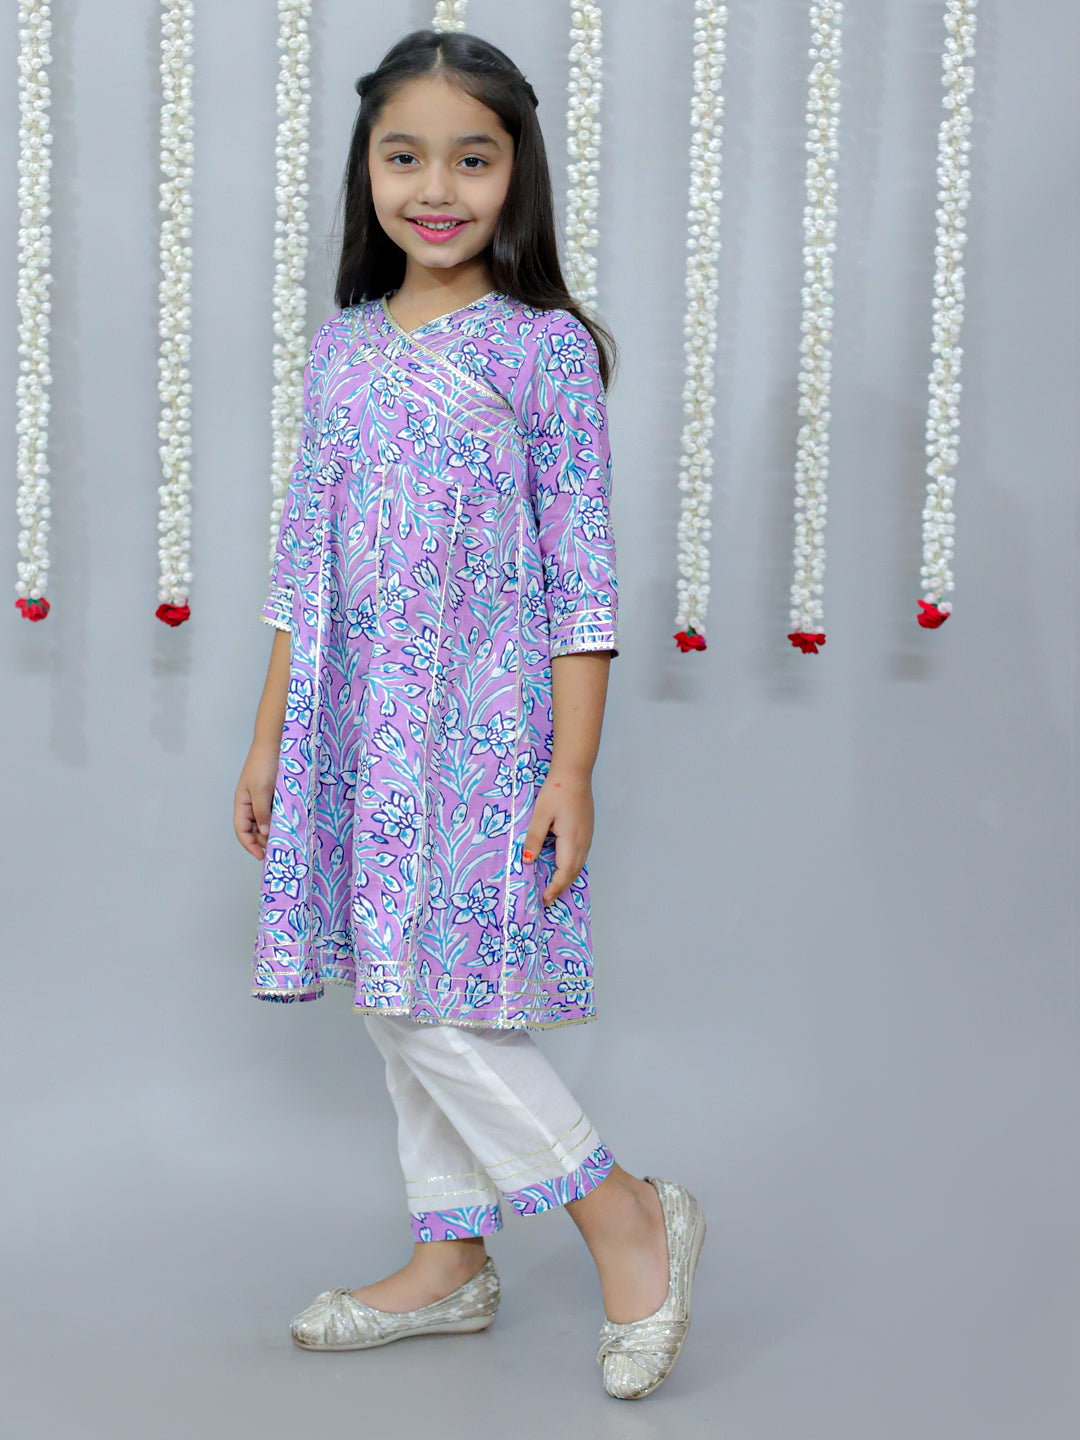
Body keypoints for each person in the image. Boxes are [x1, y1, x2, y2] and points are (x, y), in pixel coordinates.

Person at [233, 27, 704, 1401]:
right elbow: (303, 566)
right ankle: (450, 1256)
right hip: (353, 724)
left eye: (472, 158)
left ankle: (627, 1217)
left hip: (486, 729)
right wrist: (268, 737)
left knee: (444, 996)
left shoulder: (543, 352)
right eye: (405, 156)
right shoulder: (341, 351)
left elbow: (583, 581)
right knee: (392, 989)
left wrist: (575, 768)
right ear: (368, 171)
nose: (435, 187)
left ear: (517, 174)